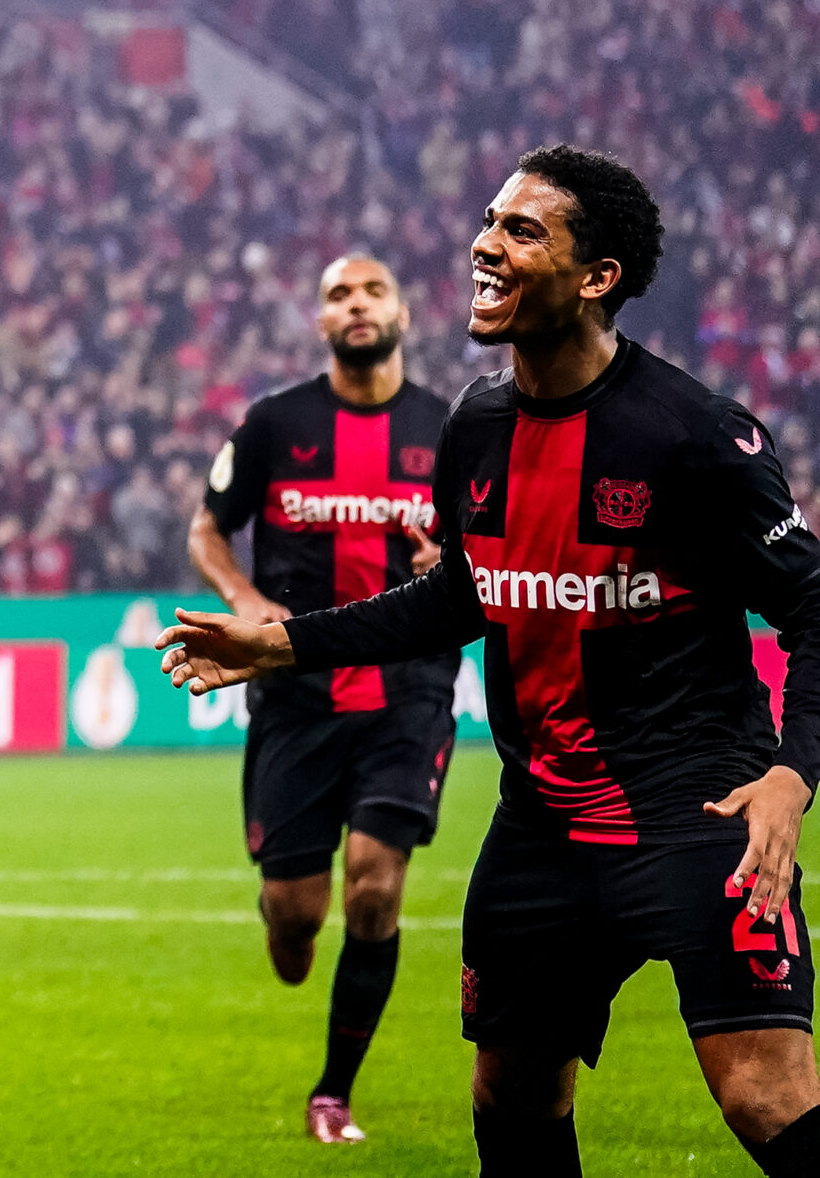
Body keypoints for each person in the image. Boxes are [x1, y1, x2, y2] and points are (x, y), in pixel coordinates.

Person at [159, 146, 820, 1178]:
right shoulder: (474, 426)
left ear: (597, 277)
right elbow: (461, 595)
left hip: (696, 813)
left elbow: (815, 608)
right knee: (510, 1094)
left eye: (522, 231)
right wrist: (281, 641)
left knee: (763, 1096)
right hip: (540, 828)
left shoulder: (694, 436)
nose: (484, 245)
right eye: (487, 222)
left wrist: (790, 776)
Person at [186, 254, 452, 1144]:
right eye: (339, 294)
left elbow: (482, 548)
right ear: (321, 320)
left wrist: (447, 569)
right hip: (296, 696)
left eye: (372, 290)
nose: (357, 304)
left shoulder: (449, 430)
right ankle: (283, 912)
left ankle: (334, 1090)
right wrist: (242, 599)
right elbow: (207, 529)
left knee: (375, 889)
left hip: (407, 693)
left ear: (403, 309)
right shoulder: (275, 422)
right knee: (297, 927)